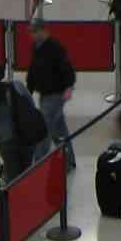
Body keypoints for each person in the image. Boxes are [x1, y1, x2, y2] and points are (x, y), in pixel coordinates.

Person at [27, 21, 79, 168]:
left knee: (44, 130)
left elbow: (67, 68)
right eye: (31, 32)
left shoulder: (55, 47)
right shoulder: (36, 48)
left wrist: (69, 87)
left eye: (35, 32)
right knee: (59, 130)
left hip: (55, 95)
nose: (33, 35)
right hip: (44, 94)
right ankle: (69, 160)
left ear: (43, 30)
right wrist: (28, 90)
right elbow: (33, 70)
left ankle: (38, 164)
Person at [0, 65, 46, 183]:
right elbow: (31, 104)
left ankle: (15, 198)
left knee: (14, 179)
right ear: (3, 73)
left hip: (7, 142)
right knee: (27, 172)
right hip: (26, 136)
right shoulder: (18, 86)